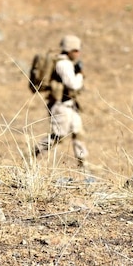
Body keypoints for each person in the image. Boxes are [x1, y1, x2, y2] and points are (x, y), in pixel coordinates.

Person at [34, 34, 88, 167]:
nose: (78, 53)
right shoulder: (63, 64)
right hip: (61, 106)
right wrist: (80, 74)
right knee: (59, 135)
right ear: (68, 50)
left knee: (78, 133)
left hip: (71, 105)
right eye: (75, 50)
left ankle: (83, 164)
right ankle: (34, 153)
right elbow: (73, 84)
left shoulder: (68, 63)